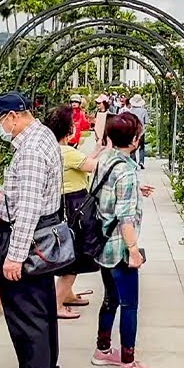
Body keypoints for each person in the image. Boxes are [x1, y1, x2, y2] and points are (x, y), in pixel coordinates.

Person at [0, 91, 64, 368]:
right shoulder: (43, 135)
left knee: (26, 314)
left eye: (1, 121)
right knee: (42, 307)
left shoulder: (29, 150)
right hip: (43, 236)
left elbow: (28, 208)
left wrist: (14, 256)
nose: (1, 128)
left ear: (14, 116)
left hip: (26, 239)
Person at [90, 112, 154, 368]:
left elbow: (104, 193)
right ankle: (128, 363)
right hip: (119, 247)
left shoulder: (106, 159)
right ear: (136, 140)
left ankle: (103, 348)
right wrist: (135, 250)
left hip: (103, 244)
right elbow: (126, 219)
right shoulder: (126, 170)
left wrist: (137, 189)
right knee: (129, 305)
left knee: (110, 299)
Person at [43, 105, 107, 319]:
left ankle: (67, 295)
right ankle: (57, 304)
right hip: (76, 207)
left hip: (60, 206)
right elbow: (94, 167)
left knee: (66, 252)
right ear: (68, 130)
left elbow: (81, 162)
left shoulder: (51, 149)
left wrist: (97, 148)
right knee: (75, 255)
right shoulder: (67, 152)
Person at [123, 94, 149, 167]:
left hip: (132, 131)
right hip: (141, 131)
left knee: (132, 147)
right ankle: (141, 162)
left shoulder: (130, 111)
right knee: (142, 147)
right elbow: (146, 122)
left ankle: (133, 161)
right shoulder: (144, 111)